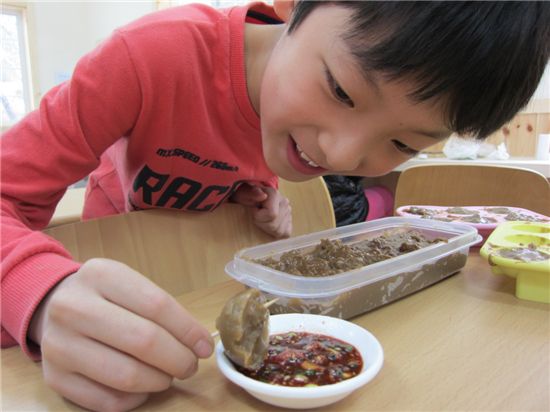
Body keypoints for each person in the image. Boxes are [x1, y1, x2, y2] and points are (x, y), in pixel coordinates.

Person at [1, 0, 548, 410]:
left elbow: (219, 163)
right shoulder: (148, 57)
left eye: (403, 145)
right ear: (297, 9)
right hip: (106, 305)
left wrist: (260, 202)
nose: (343, 153)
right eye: (340, 90)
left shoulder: (294, 127)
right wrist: (43, 294)